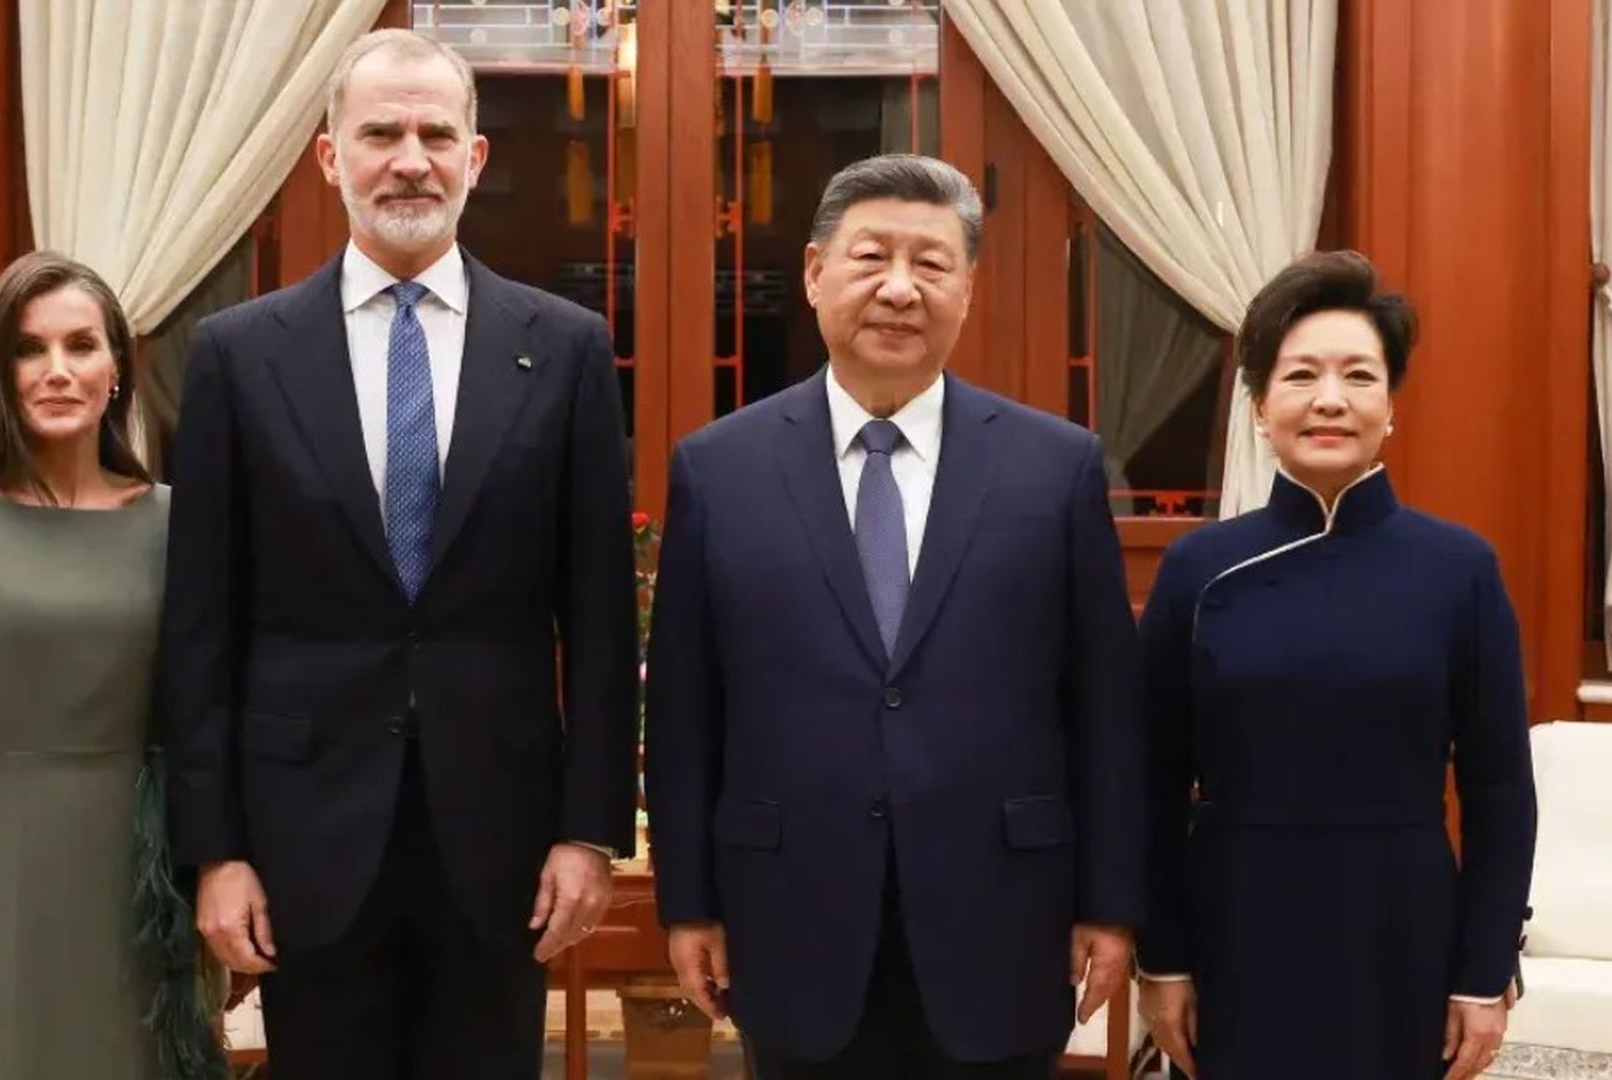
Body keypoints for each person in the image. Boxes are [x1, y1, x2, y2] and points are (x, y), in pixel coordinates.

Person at [160, 28, 638, 1079]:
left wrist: (590, 832)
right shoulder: (239, 358)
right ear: (332, 158)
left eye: (435, 133)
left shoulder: (564, 350)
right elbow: (202, 624)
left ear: (475, 159)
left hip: (503, 839)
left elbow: (599, 617)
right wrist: (217, 850)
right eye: (381, 133)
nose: (409, 158)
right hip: (302, 835)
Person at [642, 154, 1145, 1079]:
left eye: (933, 263)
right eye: (872, 257)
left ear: (969, 289)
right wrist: (689, 902)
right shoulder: (720, 469)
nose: (900, 290)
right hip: (789, 910)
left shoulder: (1056, 467)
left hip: (1003, 912)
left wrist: (1109, 904)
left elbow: (1105, 707)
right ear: (814, 272)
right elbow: (685, 713)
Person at [1135, 251, 1538, 1080]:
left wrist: (1484, 971)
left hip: (1402, 926)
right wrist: (1163, 960)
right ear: (1258, 406)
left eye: (1359, 376)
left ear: (1390, 407)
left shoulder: (1458, 568)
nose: (1329, 400)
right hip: (1236, 925)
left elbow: (1500, 789)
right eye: (1300, 376)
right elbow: (1151, 779)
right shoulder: (1199, 569)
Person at [0, 252, 206, 1079]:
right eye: (28, 349)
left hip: (149, 888)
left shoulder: (179, 523)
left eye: (81, 345)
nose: (57, 371)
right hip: (3, 884)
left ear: (119, 367)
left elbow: (215, 721)